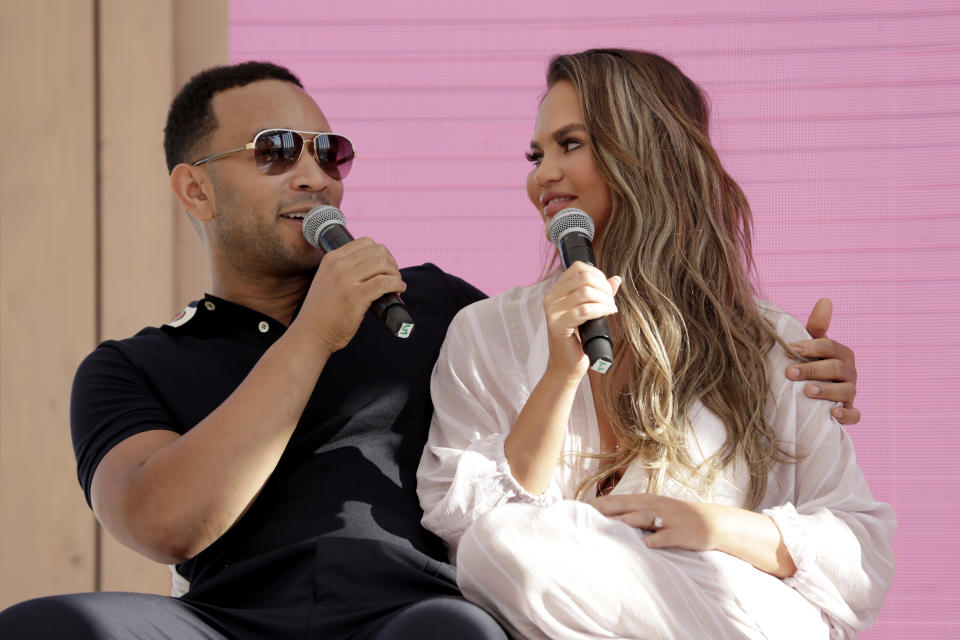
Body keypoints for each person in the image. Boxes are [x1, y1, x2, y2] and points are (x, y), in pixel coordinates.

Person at [0, 59, 859, 639]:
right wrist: (313, 334)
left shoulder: (439, 306)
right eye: (275, 153)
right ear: (195, 187)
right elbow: (163, 521)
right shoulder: (131, 366)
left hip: (417, 613)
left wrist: (791, 367)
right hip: (227, 624)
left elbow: (590, 369)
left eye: (328, 152)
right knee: (47, 628)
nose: (315, 175)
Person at [417, 49, 895, 639]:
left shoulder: (771, 343)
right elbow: (466, 533)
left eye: (571, 144)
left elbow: (860, 556)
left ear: (647, 154)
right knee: (498, 545)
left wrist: (706, 526)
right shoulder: (484, 332)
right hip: (573, 605)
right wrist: (559, 377)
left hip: (740, 609)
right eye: (537, 154)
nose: (542, 174)